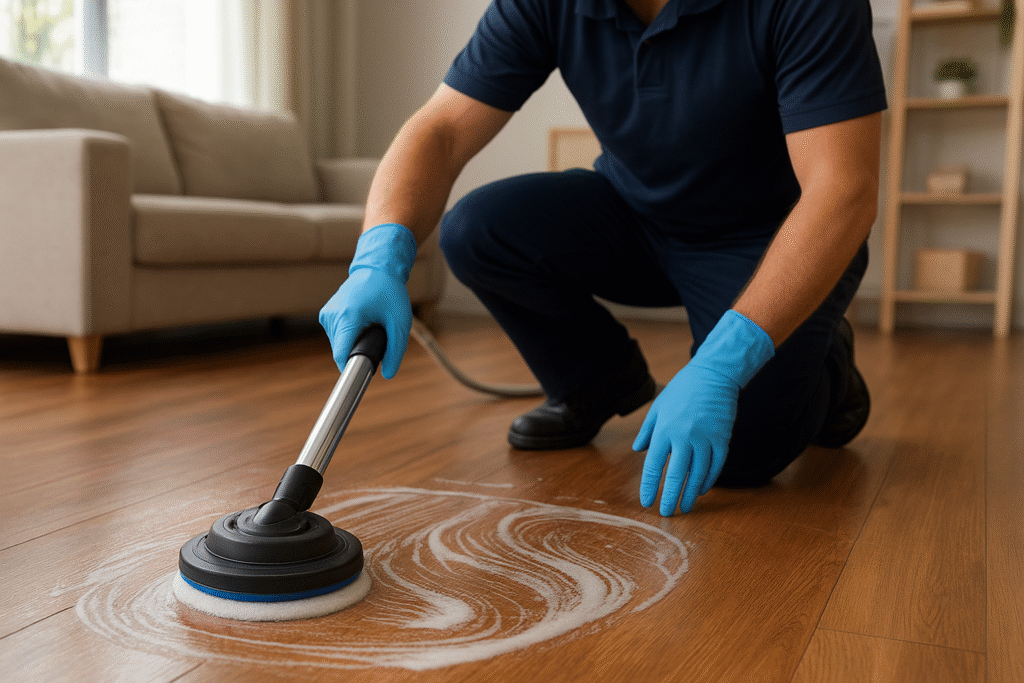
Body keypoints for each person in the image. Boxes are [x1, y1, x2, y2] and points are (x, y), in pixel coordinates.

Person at [319, 0, 887, 516]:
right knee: (477, 229)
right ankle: (598, 382)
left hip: (766, 240)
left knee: (739, 457)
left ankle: (828, 364)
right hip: (635, 217)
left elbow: (842, 191)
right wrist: (378, 255)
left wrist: (724, 364)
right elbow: (441, 128)